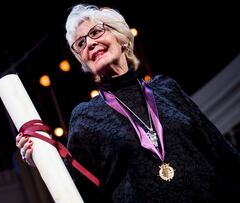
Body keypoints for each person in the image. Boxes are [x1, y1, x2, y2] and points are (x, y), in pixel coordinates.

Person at [16, 4, 240, 202]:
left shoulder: (167, 89)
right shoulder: (85, 117)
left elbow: (219, 150)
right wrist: (43, 159)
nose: (90, 44)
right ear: (82, 60)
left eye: (96, 32)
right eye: (81, 43)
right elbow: (81, 188)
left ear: (121, 38)